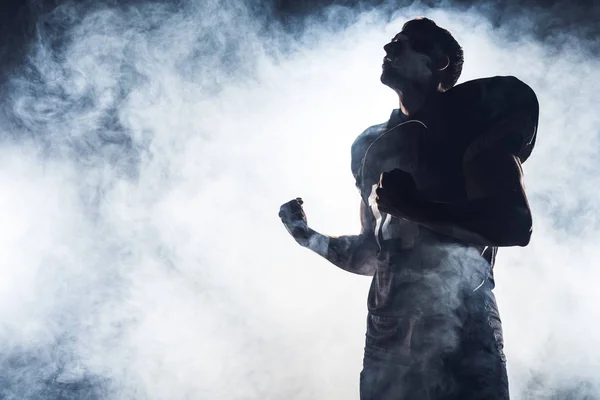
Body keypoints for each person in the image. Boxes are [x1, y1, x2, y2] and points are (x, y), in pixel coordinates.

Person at [279, 17, 539, 399]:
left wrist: (417, 209)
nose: (389, 49)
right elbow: (373, 255)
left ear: (440, 63)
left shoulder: (476, 121)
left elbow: (515, 225)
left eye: (406, 43)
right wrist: (309, 237)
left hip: (459, 324)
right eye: (391, 42)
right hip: (387, 335)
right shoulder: (372, 147)